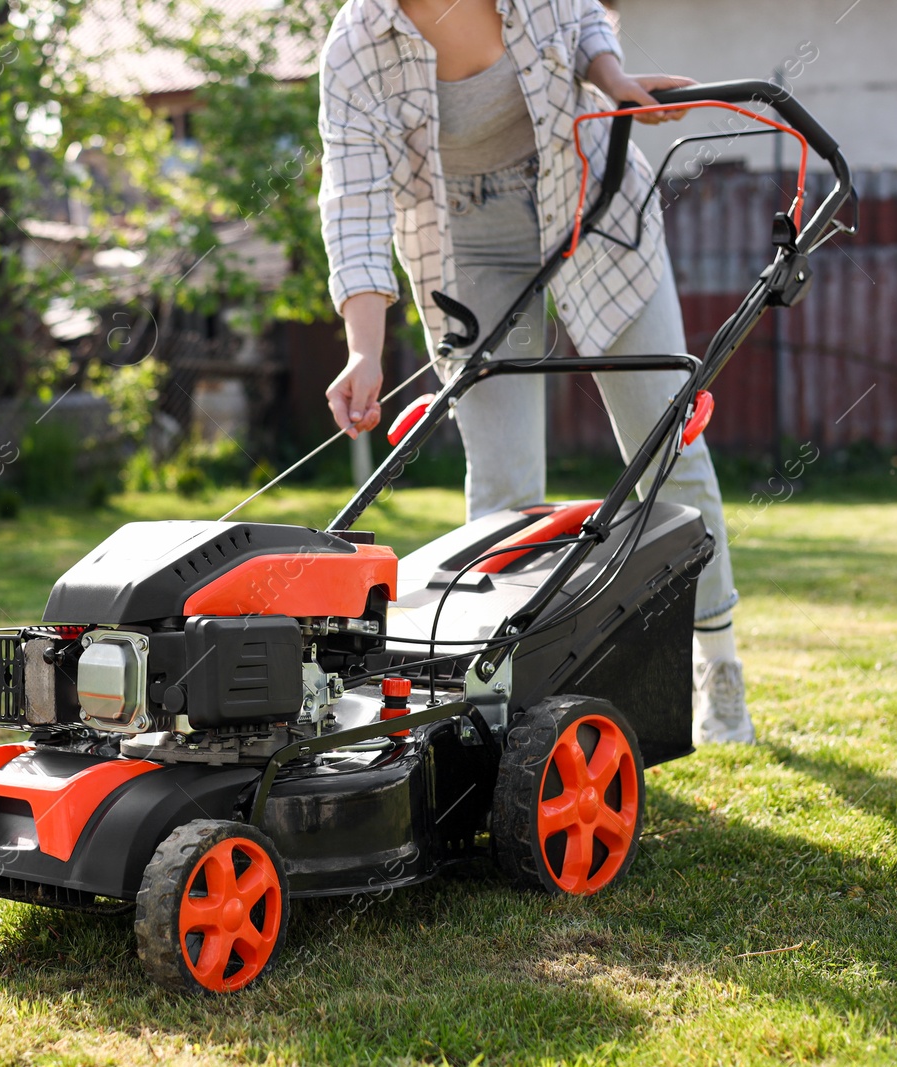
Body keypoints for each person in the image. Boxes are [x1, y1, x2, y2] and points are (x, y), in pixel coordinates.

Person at [316, 0, 752, 743]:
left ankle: (716, 658)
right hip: (465, 239)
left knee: (665, 441)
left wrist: (610, 76)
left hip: (592, 195)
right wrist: (363, 348)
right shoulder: (357, 45)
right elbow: (353, 202)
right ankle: (503, 690)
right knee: (504, 490)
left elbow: (586, 16)